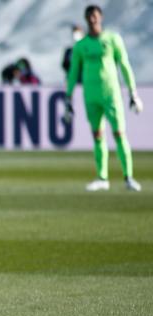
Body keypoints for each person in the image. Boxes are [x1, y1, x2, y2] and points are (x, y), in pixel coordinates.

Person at [64, 5, 143, 192]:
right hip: (90, 96)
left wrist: (133, 92)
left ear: (101, 17)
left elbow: (124, 65)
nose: (93, 19)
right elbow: (73, 72)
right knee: (97, 136)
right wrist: (68, 97)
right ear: (86, 19)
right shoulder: (81, 46)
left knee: (119, 134)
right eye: (89, 16)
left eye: (95, 15)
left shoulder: (112, 39)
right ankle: (102, 177)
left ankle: (128, 177)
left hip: (111, 94)